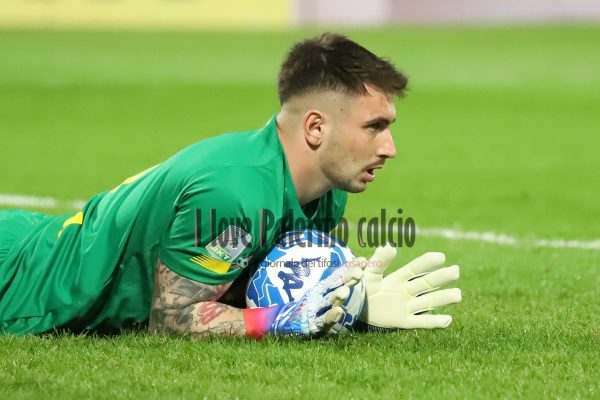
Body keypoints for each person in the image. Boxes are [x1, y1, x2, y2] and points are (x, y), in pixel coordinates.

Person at [0, 33, 461, 338]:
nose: (390, 148)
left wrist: (351, 303)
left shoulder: (328, 188)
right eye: (374, 127)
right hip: (22, 280)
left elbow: (248, 279)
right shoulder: (235, 193)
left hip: (37, 236)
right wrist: (283, 321)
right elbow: (174, 318)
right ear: (316, 128)